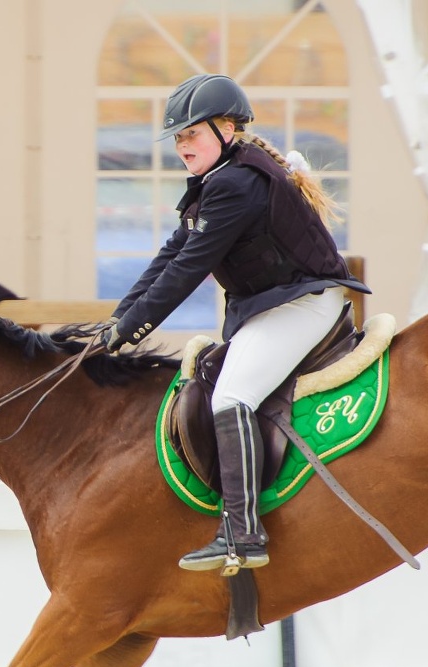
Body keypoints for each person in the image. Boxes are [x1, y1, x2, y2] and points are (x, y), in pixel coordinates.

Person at [100, 74, 371, 573]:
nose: (183, 146)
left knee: (232, 396)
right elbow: (170, 254)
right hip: (278, 303)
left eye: (192, 134)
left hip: (305, 304)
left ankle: (242, 533)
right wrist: (118, 320)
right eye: (179, 138)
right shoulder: (217, 179)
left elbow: (188, 271)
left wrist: (131, 331)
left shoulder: (235, 184)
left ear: (227, 129)